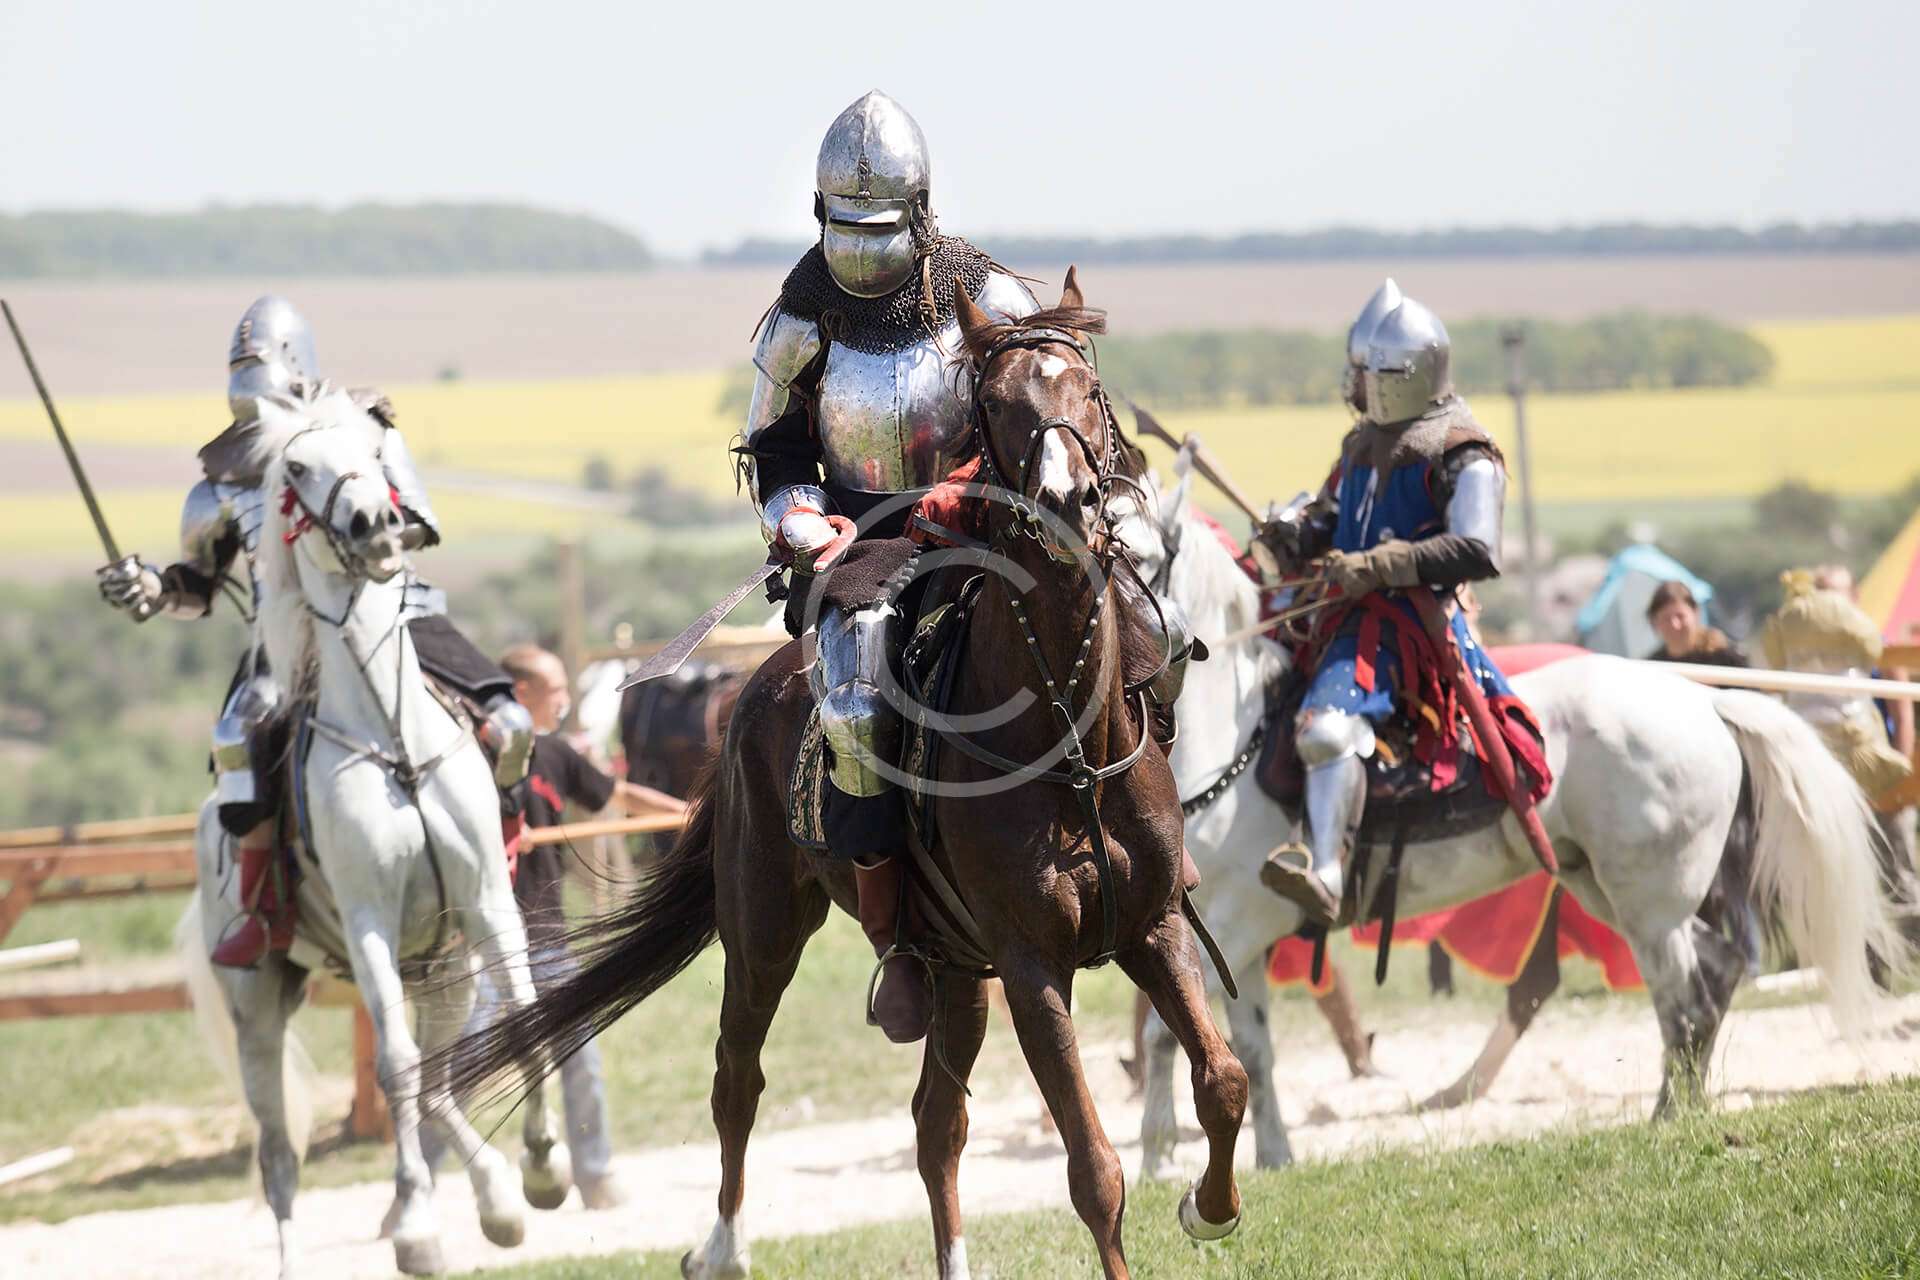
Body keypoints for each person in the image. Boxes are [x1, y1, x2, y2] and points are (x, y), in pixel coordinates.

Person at [94, 296, 534, 967]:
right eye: (239, 363)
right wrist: (152, 590)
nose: (248, 376)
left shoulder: (365, 432)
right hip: (284, 637)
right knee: (237, 740)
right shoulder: (221, 479)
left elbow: (421, 520)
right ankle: (261, 903)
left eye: (258, 360)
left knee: (510, 723)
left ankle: (497, 870)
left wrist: (379, 538)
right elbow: (198, 587)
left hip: (398, 613)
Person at [735, 91, 1042, 1043]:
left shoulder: (989, 299)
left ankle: (1148, 837)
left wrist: (973, 492)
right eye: (847, 223)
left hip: (985, 524)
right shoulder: (800, 321)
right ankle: (896, 938)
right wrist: (802, 524)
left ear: (920, 211)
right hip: (860, 545)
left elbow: (1037, 420)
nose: (863, 246)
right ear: (820, 212)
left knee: (1123, 623)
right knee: (858, 706)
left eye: (881, 225)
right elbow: (774, 454)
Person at [1251, 284, 1540, 926]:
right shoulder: (1362, 445)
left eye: (1368, 374)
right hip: (1341, 620)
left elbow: (1475, 548)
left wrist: (1379, 565)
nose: (1357, 385)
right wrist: (1294, 533)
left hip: (1409, 630)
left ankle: (1327, 871)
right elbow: (1331, 517)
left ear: (1401, 377)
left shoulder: (1464, 453)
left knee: (1326, 728)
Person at [481, 644, 686, 1209]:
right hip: (482, 944)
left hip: (548, 938)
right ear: (521, 693)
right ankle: (418, 1181)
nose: (565, 699)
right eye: (555, 689)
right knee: (457, 1064)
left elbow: (615, 794)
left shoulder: (553, 753)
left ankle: (594, 1174)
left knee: (581, 1057)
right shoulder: (473, 760)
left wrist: (688, 814)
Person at [1643, 579, 1748, 667]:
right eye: (1666, 619)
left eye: (1680, 616)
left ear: (1696, 613)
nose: (1675, 625)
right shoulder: (1652, 667)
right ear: (1655, 621)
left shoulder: (1725, 658)